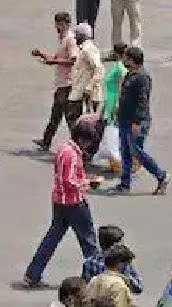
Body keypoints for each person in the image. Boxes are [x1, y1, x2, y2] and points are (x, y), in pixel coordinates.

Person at [23, 120, 101, 288]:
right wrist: (88, 183)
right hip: (72, 202)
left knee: (52, 238)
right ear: (81, 139)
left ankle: (33, 274)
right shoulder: (71, 154)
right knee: (89, 241)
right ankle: (94, 278)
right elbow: (69, 180)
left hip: (59, 201)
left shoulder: (63, 148)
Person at [112, 46, 170, 196]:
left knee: (136, 151)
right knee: (125, 151)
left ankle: (161, 175)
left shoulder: (142, 77)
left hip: (136, 121)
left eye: (125, 58)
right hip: (125, 119)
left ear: (132, 60)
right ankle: (125, 184)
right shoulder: (130, 74)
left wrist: (137, 122)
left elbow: (142, 101)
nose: (123, 60)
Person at [32, 12, 80, 152]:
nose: (56, 27)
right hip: (61, 84)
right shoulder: (63, 38)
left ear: (65, 24)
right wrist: (42, 54)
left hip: (67, 84)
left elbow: (73, 60)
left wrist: (53, 61)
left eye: (59, 24)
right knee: (56, 115)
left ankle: (79, 146)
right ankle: (46, 141)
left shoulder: (70, 39)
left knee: (70, 118)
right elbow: (56, 57)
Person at [82, 225, 144, 293]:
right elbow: (138, 287)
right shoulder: (123, 262)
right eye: (121, 242)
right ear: (113, 246)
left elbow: (84, 288)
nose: (123, 245)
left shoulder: (89, 263)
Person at [70, 23, 106, 116]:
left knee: (86, 125)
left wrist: (89, 87)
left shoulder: (88, 49)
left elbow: (99, 69)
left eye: (76, 35)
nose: (75, 37)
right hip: (81, 94)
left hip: (88, 96)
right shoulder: (83, 49)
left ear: (82, 36)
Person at [102, 44, 129, 127]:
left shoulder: (120, 67)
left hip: (115, 98)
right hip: (110, 98)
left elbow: (122, 84)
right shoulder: (117, 65)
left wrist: (118, 104)